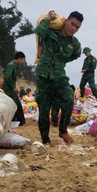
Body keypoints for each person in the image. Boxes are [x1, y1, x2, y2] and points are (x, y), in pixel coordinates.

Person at [34, 10, 83, 145]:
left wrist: (61, 62)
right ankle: (45, 139)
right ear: (66, 21)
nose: (74, 28)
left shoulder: (75, 44)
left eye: (77, 27)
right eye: (72, 24)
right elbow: (39, 31)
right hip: (43, 74)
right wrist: (48, 19)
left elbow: (75, 55)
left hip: (59, 75)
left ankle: (63, 131)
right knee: (44, 107)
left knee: (68, 97)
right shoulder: (50, 33)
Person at [1, 51, 26, 125]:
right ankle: (15, 121)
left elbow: (6, 74)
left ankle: (19, 121)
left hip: (11, 88)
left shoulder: (15, 65)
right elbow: (8, 77)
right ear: (19, 58)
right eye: (22, 60)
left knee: (16, 104)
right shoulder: (11, 65)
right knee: (13, 104)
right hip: (8, 89)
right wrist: (13, 87)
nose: (23, 62)